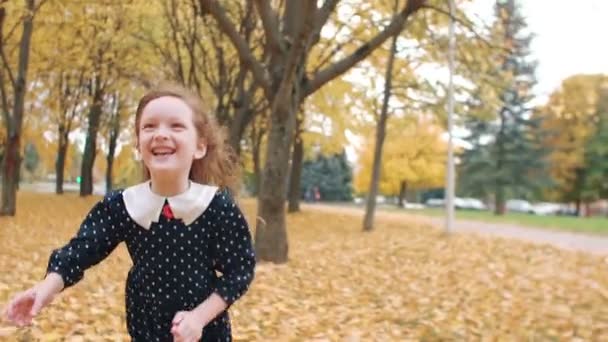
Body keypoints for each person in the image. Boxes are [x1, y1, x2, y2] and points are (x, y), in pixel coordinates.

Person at [3, 84, 256, 341]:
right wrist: (45, 289)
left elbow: (239, 271)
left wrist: (199, 317)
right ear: (138, 145)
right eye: (149, 126)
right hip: (146, 331)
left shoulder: (216, 206)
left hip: (205, 334)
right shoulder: (122, 205)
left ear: (200, 146)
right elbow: (79, 252)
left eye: (176, 126)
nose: (160, 134)